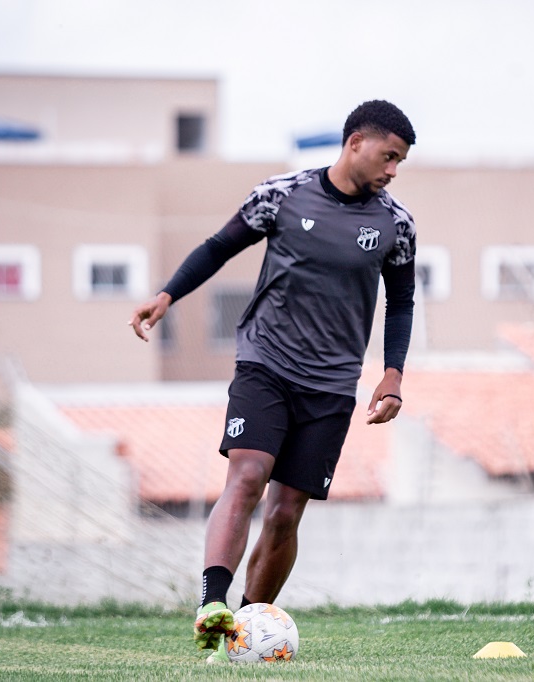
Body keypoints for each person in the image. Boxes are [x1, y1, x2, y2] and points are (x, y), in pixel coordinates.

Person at [128, 99, 417, 663]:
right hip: (266, 363)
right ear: (355, 142)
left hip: (332, 384)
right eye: (388, 156)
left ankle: (242, 633)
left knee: (285, 513)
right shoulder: (281, 195)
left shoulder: (396, 224)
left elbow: (401, 302)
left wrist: (392, 374)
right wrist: (167, 295)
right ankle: (212, 604)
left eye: (400, 162)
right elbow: (218, 247)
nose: (393, 171)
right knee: (248, 475)